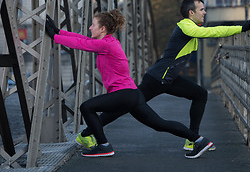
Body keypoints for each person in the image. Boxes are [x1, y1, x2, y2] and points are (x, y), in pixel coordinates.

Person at [74, 0, 250, 152]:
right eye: (202, 9)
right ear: (191, 12)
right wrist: (240, 28)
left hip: (168, 78)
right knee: (127, 107)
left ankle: (193, 140)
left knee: (200, 94)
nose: (205, 13)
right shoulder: (185, 25)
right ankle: (86, 134)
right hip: (157, 79)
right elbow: (210, 32)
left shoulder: (190, 26)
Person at [44, 9, 213, 159]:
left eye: (93, 25)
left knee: (87, 107)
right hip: (132, 95)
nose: (90, 28)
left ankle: (103, 145)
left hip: (124, 94)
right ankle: (199, 140)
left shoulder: (106, 44)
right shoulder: (107, 42)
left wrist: (56, 37)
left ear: (103, 29)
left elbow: (82, 44)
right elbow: (82, 39)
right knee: (160, 124)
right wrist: (59, 32)